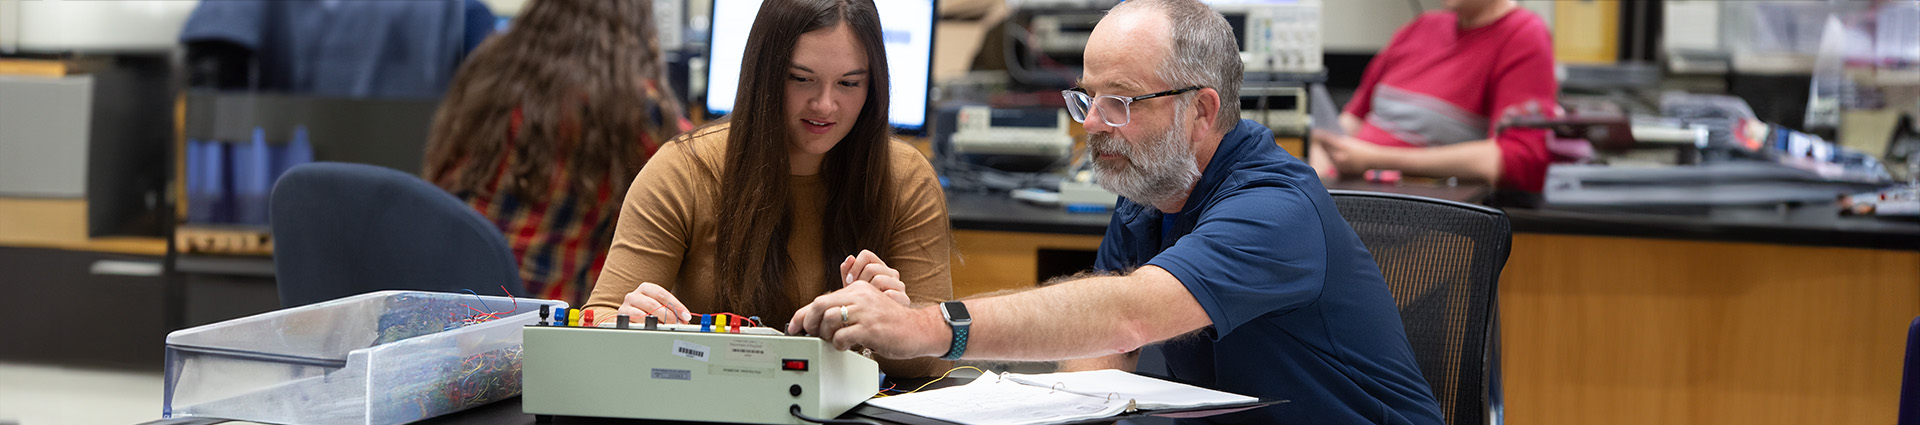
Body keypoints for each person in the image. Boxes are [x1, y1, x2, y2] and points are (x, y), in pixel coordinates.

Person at [790, 0, 1444, 423]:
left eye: (1121, 102)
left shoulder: (1275, 209)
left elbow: (1128, 309)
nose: (1093, 125)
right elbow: (1103, 348)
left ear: (1202, 110)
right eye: (1087, 99)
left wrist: (927, 327)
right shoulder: (1151, 192)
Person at [582, 0, 953, 377]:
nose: (825, 104)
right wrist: (627, 323)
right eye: (801, 78)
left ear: (873, 86)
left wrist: (898, 328)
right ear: (765, 73)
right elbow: (597, 322)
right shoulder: (684, 171)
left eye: (849, 83)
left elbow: (936, 361)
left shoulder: (905, 180)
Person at [421, 0, 692, 306]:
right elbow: (695, 156)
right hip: (540, 317)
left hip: (449, 299)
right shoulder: (629, 104)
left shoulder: (491, 65)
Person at [1309, 0, 1559, 192]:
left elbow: (1515, 160)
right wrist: (1319, 171)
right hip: (1346, 192)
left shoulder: (1523, 35)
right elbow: (1350, 121)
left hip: (1414, 212)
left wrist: (1372, 159)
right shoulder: (1421, 27)